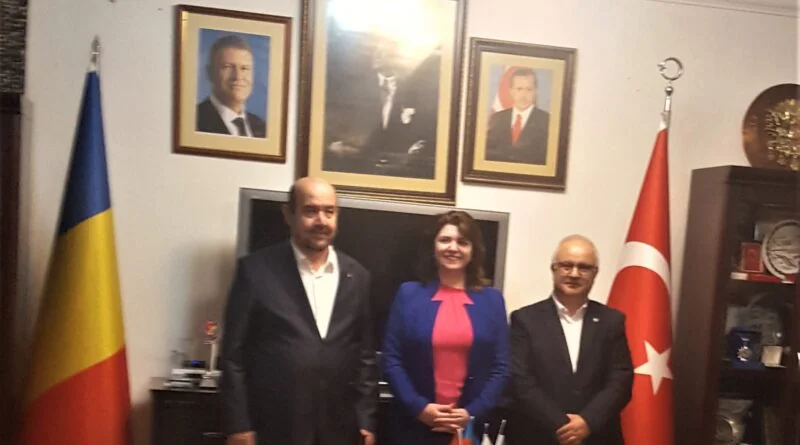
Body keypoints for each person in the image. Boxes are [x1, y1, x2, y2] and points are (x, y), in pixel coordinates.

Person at [218, 177, 377, 445]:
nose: (321, 221)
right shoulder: (255, 271)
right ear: (288, 214)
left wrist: (365, 421)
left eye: (329, 211)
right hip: (272, 427)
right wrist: (238, 425)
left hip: (340, 430)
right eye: (310, 211)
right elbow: (233, 356)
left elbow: (365, 357)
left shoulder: (358, 276)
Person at [382, 210, 511, 445]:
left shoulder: (492, 300)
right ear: (433, 247)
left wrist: (471, 413)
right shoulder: (408, 294)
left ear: (473, 250)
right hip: (413, 424)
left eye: (463, 242)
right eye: (445, 240)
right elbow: (392, 359)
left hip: (470, 428)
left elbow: (501, 366)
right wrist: (419, 408)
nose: (453, 247)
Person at [507, 235, 633, 445]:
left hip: (597, 435)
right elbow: (521, 381)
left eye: (584, 267)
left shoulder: (611, 321)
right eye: (567, 266)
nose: (574, 274)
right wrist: (563, 425)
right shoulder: (525, 319)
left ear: (595, 273)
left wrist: (587, 422)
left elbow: (620, 380)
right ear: (553, 269)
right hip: (539, 435)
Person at [323, 35, 438, 178]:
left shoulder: (410, 89)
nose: (378, 56)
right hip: (352, 162)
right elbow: (331, 117)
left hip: (393, 167)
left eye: (386, 52)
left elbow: (419, 128)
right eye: (377, 51)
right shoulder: (352, 86)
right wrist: (331, 144)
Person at [196, 34, 267, 138]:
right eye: (228, 67)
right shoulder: (194, 120)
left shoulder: (262, 128)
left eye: (244, 68)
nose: (238, 76)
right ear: (210, 73)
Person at [485, 67, 549, 165]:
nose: (523, 95)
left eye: (529, 89)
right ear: (511, 91)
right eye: (519, 89)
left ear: (536, 92)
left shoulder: (547, 121)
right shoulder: (497, 118)